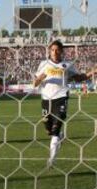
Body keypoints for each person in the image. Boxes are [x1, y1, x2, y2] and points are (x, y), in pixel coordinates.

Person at [33, 40, 97, 168]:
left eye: (57, 50)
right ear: (49, 51)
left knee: (55, 130)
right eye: (52, 50)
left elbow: (78, 78)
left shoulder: (67, 65)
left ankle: (52, 159)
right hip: (46, 99)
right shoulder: (44, 64)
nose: (54, 52)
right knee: (49, 131)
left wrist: (92, 72)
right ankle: (60, 136)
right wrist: (40, 79)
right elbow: (35, 83)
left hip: (61, 98)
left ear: (61, 51)